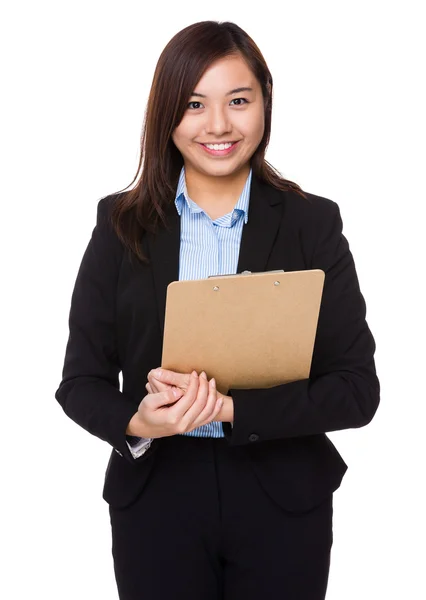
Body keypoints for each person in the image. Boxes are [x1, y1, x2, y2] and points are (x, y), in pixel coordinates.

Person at [55, 20, 380, 600]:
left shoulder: (313, 224)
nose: (219, 125)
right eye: (194, 104)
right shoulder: (120, 225)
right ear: (165, 115)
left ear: (265, 102)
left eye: (238, 100)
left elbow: (356, 391)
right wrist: (138, 422)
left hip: (283, 498)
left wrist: (233, 408)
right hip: (157, 501)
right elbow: (80, 382)